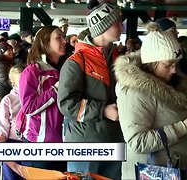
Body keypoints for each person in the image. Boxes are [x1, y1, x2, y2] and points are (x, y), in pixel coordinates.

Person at [57, 0, 124, 179]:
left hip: (114, 139)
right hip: (85, 145)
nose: (122, 26)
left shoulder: (117, 58)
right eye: (117, 22)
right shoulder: (76, 61)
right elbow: (66, 104)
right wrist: (103, 111)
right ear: (104, 27)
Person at [114, 22, 187, 179]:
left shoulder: (172, 82)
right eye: (168, 65)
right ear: (152, 63)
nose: (174, 70)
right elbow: (137, 141)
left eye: (176, 64)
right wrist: (182, 127)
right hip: (152, 172)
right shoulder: (133, 92)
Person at [18, 25, 66, 172]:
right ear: (45, 42)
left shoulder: (60, 70)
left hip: (61, 144)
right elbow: (28, 107)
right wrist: (55, 89)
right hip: (39, 145)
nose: (64, 41)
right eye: (59, 37)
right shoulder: (32, 71)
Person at [0, 64, 25, 180]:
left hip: (29, 143)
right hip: (12, 144)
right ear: (14, 83)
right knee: (11, 176)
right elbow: (2, 125)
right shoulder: (8, 100)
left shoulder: (34, 97)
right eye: (21, 80)